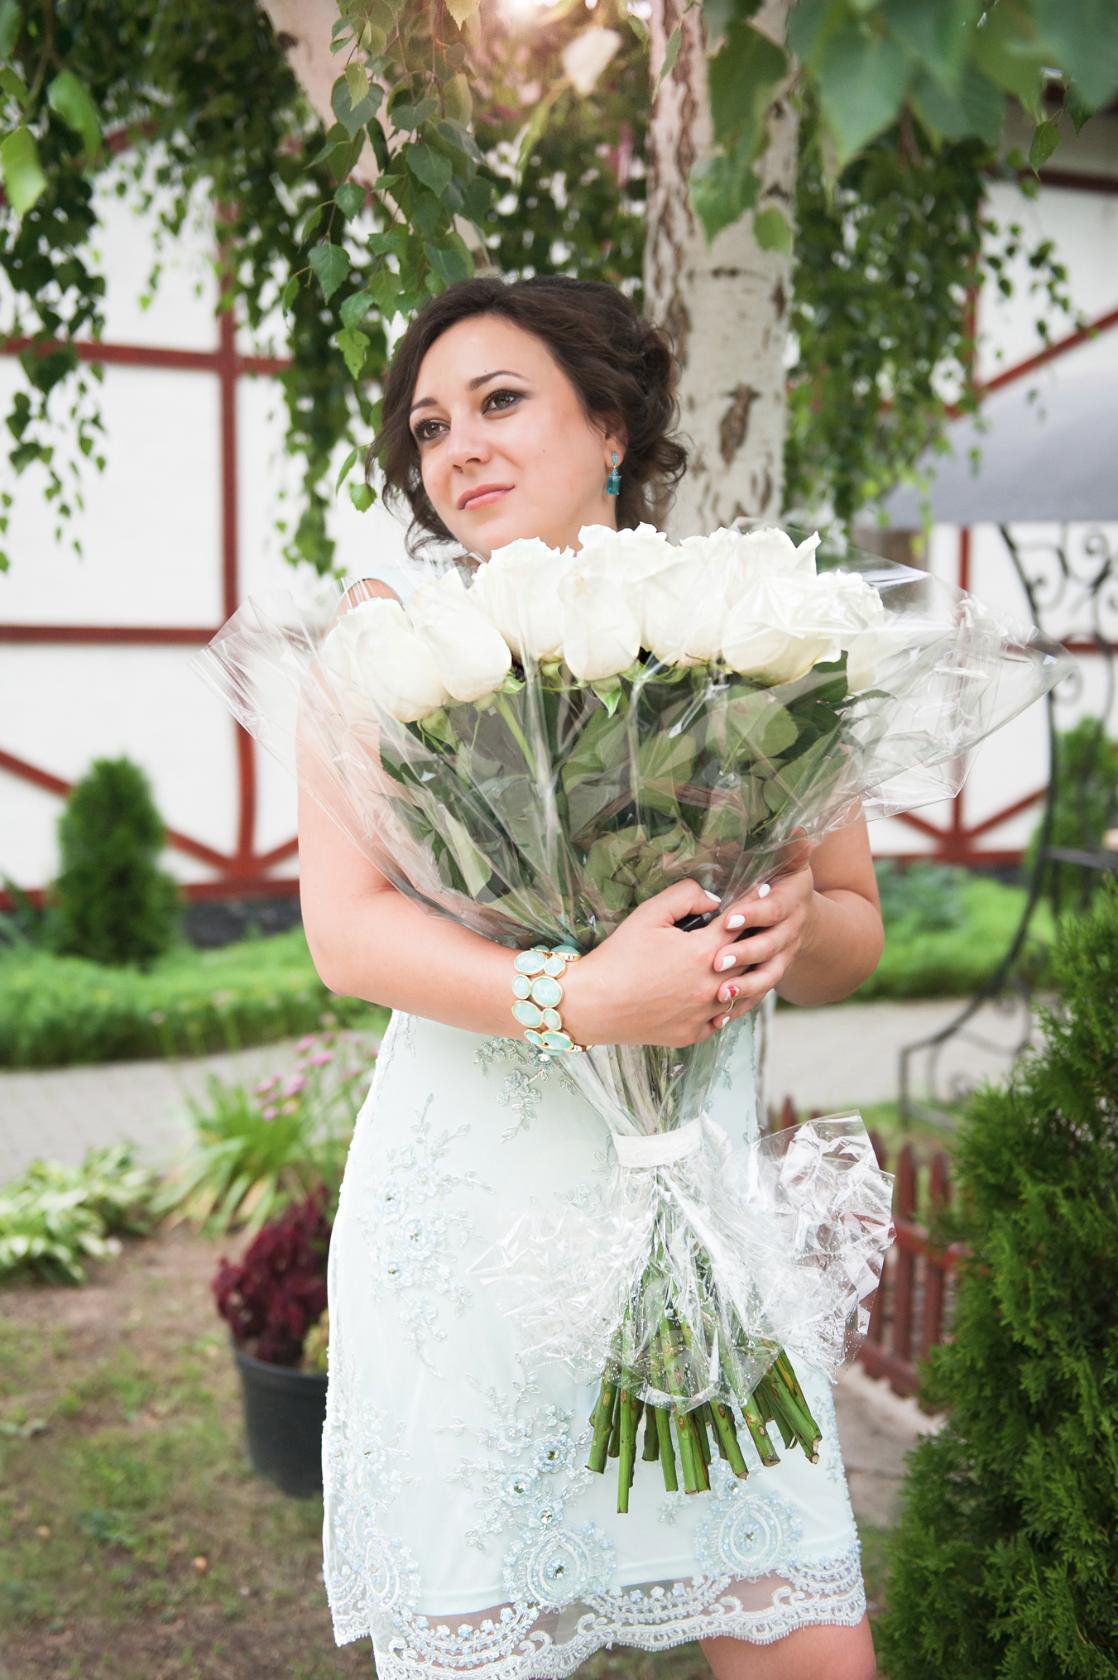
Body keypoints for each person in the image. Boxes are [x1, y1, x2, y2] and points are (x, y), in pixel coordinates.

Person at [300, 275, 886, 1680]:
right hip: (468, 1249)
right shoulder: (389, 653)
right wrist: (575, 999)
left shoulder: (757, 629)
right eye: (430, 428)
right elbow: (347, 934)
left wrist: (792, 925)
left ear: (610, 425)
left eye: (499, 402)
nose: (459, 448)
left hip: (697, 1237)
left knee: (810, 1649)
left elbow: (856, 932)